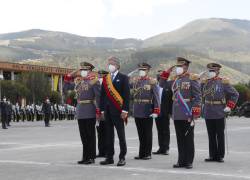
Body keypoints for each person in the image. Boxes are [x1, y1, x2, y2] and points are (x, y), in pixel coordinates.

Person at [160, 57, 201, 169]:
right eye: (177, 66)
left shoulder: (192, 78)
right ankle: (181, 160)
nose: (178, 68)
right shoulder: (175, 80)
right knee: (180, 138)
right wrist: (167, 72)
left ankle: (189, 161)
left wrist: (194, 113)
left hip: (187, 113)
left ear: (186, 67)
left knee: (188, 138)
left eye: (180, 66)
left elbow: (197, 97)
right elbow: (162, 84)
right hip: (177, 113)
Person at [201, 63, 239, 163]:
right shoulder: (206, 82)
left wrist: (229, 106)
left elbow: (235, 94)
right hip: (208, 111)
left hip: (219, 111)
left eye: (213, 71)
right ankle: (212, 155)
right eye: (210, 71)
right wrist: (200, 81)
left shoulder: (223, 82)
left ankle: (220, 155)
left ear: (218, 71)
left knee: (220, 134)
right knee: (211, 134)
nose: (211, 73)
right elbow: (200, 93)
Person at [68, 62, 101, 165]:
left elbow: (98, 96)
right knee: (83, 136)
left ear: (90, 70)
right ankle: (85, 156)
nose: (82, 72)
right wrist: (74, 72)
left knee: (90, 135)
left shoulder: (94, 81)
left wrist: (98, 110)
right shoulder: (79, 82)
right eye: (81, 70)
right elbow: (67, 81)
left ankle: (91, 157)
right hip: (81, 110)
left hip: (90, 110)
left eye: (84, 70)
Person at [100, 56, 130, 166]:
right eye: (108, 63)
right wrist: (102, 110)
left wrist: (125, 110)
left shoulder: (123, 77)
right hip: (107, 111)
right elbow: (102, 96)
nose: (109, 65)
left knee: (121, 135)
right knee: (109, 136)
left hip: (118, 111)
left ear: (117, 65)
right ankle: (109, 157)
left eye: (111, 63)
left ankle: (122, 157)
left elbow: (126, 95)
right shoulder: (105, 78)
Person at [130, 63, 160, 160]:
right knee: (140, 133)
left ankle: (147, 153)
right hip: (137, 109)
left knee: (147, 133)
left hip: (147, 109)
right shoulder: (136, 81)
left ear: (147, 71)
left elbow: (156, 96)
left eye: (143, 69)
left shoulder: (151, 81)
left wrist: (156, 110)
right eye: (140, 70)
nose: (141, 71)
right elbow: (132, 93)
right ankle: (141, 153)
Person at [153, 71, 173, 155]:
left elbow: (171, 100)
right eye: (158, 76)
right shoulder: (155, 86)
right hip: (157, 111)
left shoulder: (168, 86)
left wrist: (170, 112)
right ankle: (161, 147)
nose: (159, 77)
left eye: (160, 76)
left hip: (165, 111)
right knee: (159, 130)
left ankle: (166, 148)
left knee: (165, 130)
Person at [96, 70, 109, 158]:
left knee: (107, 133)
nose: (100, 76)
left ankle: (107, 152)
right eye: (99, 75)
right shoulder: (96, 85)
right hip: (98, 112)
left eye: (102, 75)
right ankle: (101, 151)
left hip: (106, 111)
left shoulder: (108, 86)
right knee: (99, 133)